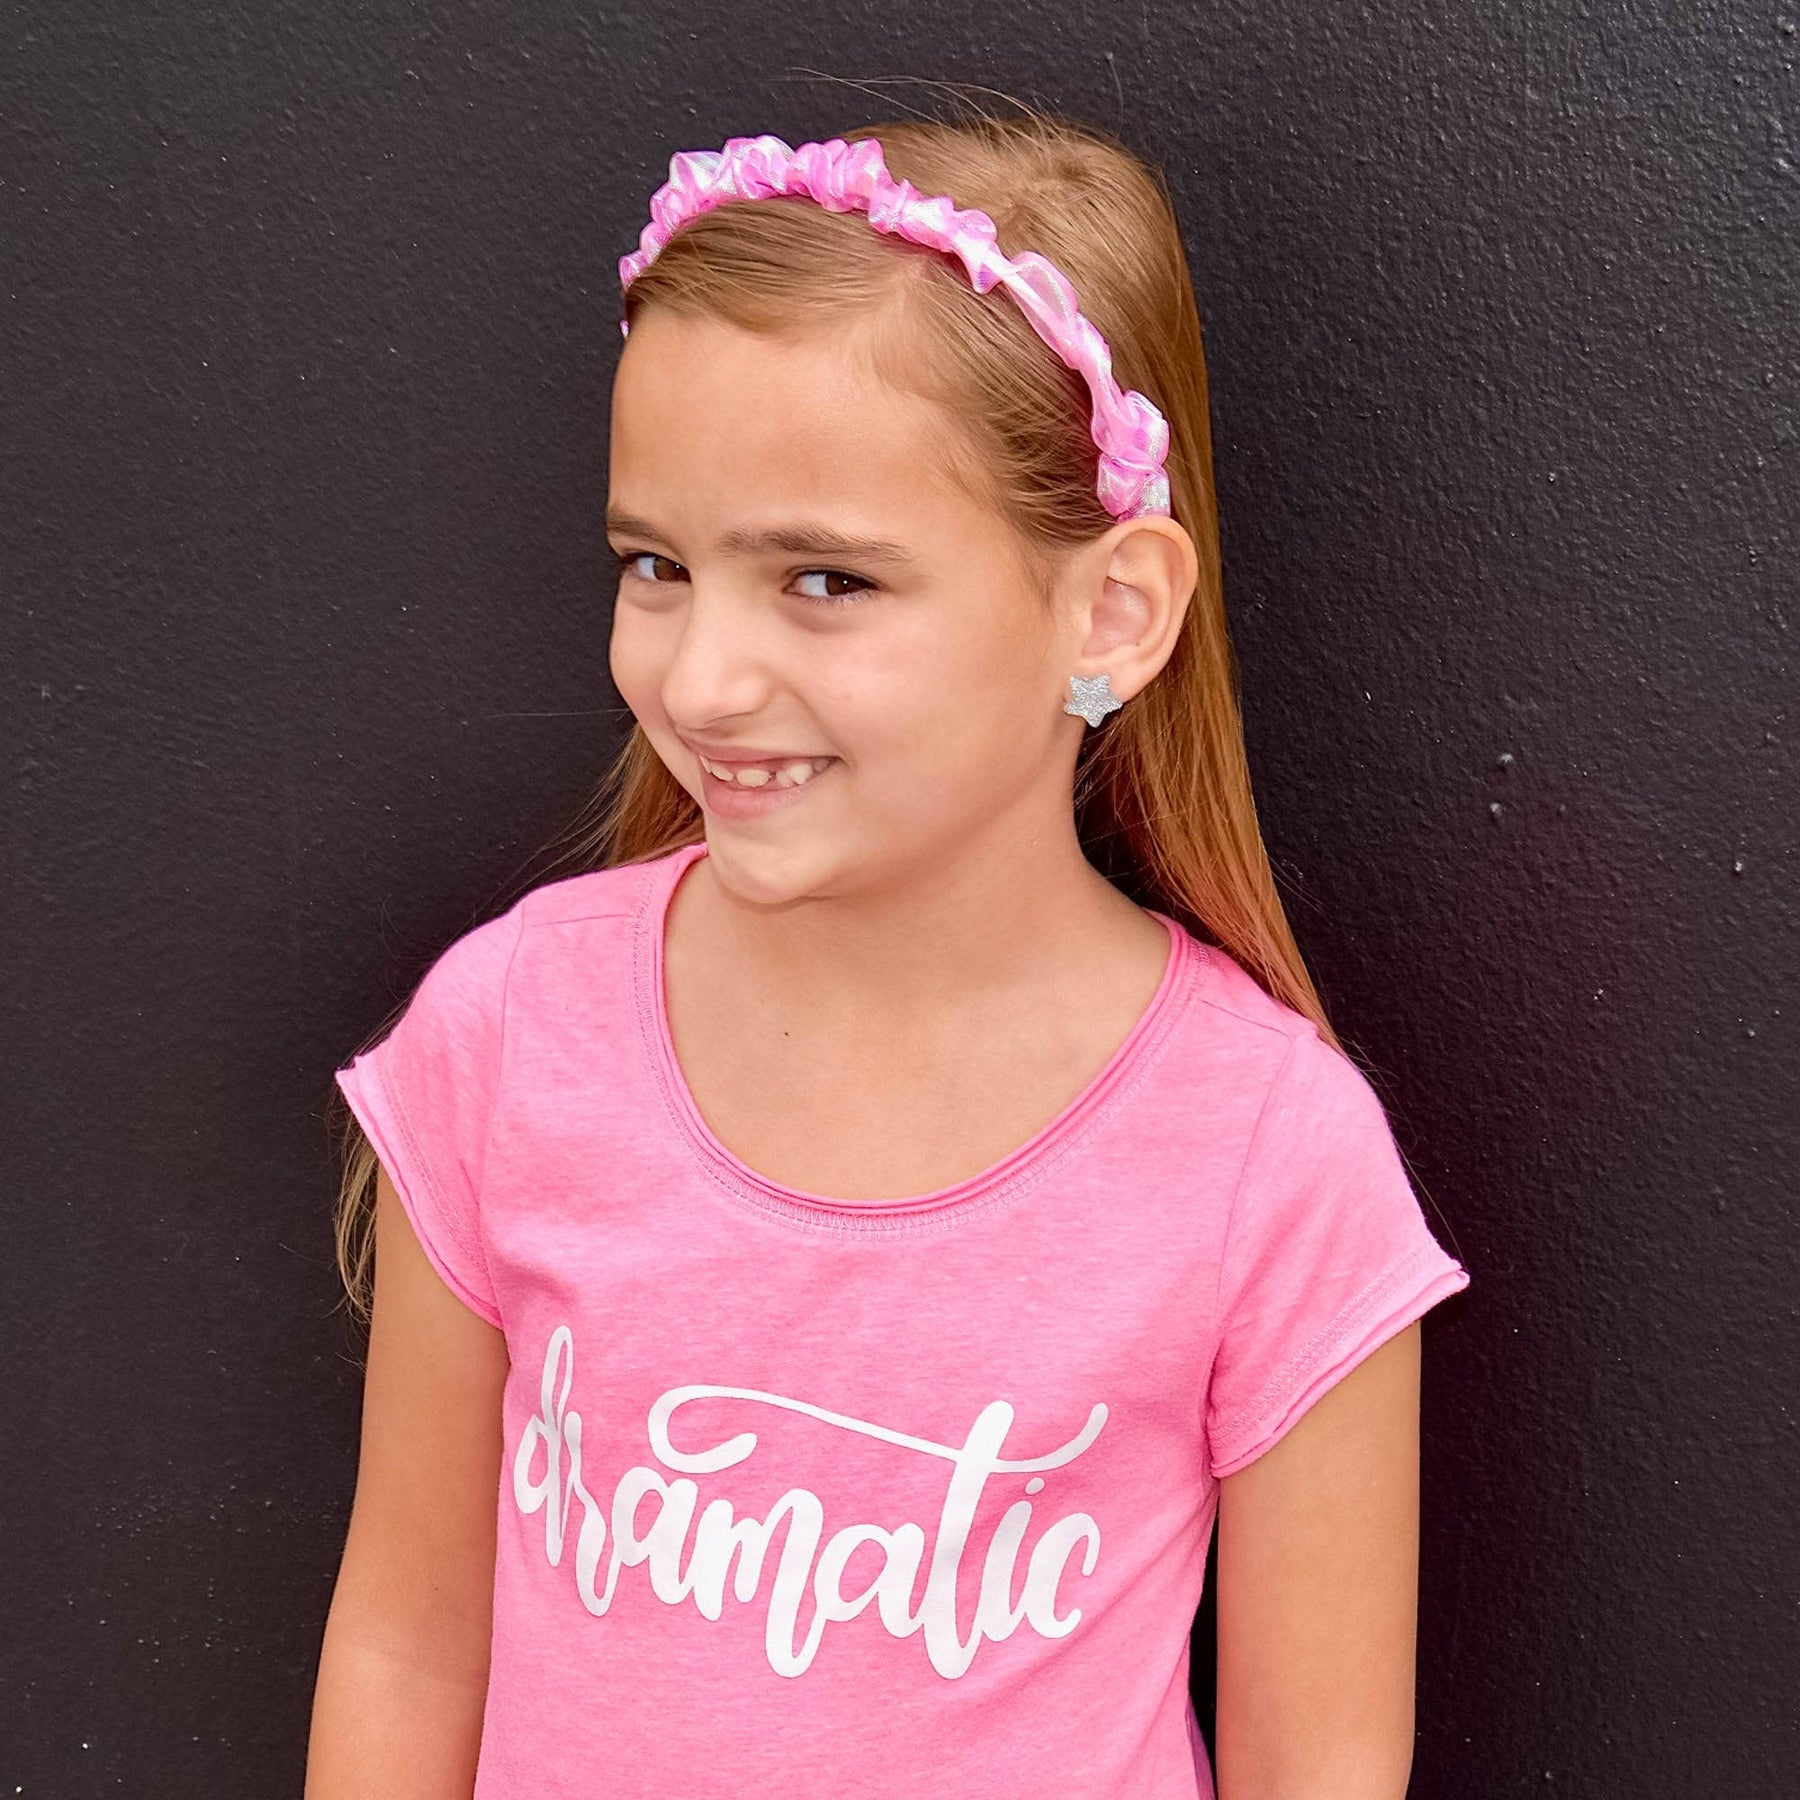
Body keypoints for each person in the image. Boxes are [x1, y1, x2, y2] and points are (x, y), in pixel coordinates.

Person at [305, 111, 1471, 1800]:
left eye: (828, 580)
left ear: (1111, 611)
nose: (701, 680)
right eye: (657, 565)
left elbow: (1323, 1763)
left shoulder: (1268, 1161)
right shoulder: (511, 1034)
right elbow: (410, 1648)